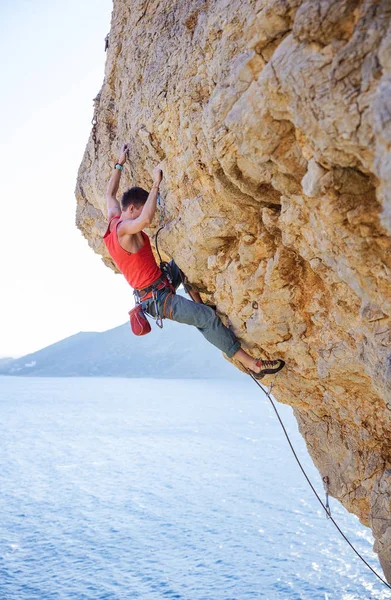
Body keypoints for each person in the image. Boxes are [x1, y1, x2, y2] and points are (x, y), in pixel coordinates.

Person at [103, 144, 285, 379]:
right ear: (131, 209)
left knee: (187, 259)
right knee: (205, 319)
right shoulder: (124, 230)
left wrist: (120, 162)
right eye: (137, 212)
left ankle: (198, 301)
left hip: (160, 283)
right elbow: (146, 218)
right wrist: (156, 184)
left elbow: (110, 194)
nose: (142, 215)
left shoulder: (113, 220)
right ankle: (254, 365)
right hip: (158, 299)